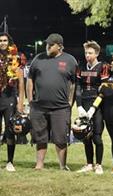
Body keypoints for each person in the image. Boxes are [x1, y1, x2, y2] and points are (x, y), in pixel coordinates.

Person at [27, 33, 77, 171]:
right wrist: (30, 99)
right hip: (39, 107)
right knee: (39, 137)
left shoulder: (70, 60)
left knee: (61, 138)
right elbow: (30, 78)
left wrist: (70, 101)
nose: (47, 46)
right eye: (47, 43)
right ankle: (39, 164)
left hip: (60, 108)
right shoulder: (38, 58)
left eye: (51, 44)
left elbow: (73, 83)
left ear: (60, 46)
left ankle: (62, 165)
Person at [75, 41, 109, 174]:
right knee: (85, 136)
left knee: (97, 136)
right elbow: (78, 87)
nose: (87, 55)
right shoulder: (81, 66)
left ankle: (99, 164)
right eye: (86, 52)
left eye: (90, 53)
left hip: (97, 105)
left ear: (97, 53)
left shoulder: (103, 67)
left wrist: (94, 108)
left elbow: (104, 89)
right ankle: (89, 163)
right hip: (84, 103)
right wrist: (79, 106)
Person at [0, 32, 25, 171]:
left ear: (9, 42)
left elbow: (21, 82)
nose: (2, 43)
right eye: (0, 41)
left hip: (9, 97)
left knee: (10, 130)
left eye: (5, 40)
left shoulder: (17, 57)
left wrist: (20, 103)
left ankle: (10, 162)